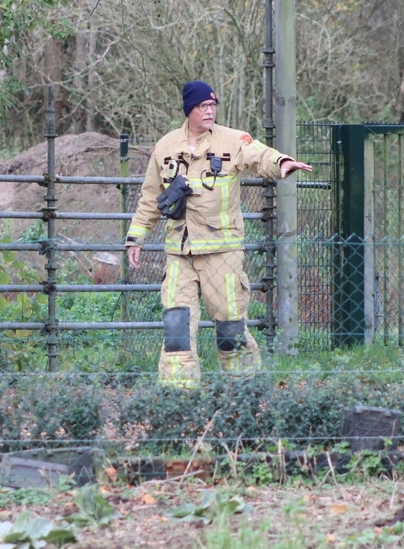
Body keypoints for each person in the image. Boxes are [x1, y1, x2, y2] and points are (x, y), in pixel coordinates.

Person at [125, 80, 313, 388]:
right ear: (190, 110)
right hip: (179, 254)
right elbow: (149, 197)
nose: (209, 111)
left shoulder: (232, 140)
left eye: (213, 106)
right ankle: (178, 399)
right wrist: (136, 237)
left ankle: (245, 393)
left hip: (221, 253)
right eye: (202, 106)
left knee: (229, 328)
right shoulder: (166, 147)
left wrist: (280, 162)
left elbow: (258, 154)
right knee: (177, 328)